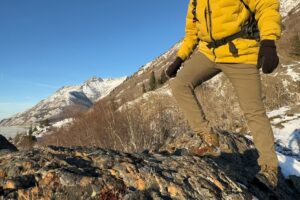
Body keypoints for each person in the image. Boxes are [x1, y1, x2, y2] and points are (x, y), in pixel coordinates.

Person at [165, 0, 281, 188]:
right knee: (180, 85)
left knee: (253, 111)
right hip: (209, 53)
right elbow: (192, 34)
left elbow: (266, 6)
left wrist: (269, 42)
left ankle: (270, 168)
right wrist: (179, 58)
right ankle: (209, 140)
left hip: (241, 51)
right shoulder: (195, 2)